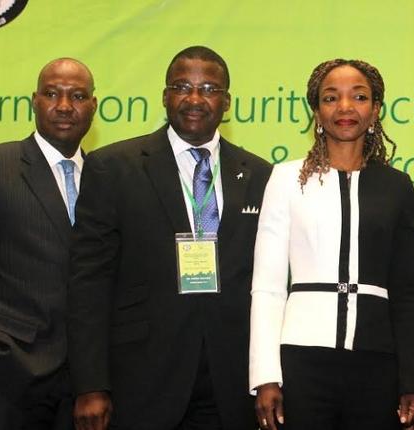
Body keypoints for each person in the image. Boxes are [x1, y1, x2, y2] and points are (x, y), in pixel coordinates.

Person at [67, 46, 271, 429]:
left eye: (209, 88)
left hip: (230, 380)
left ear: (227, 102)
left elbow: (269, 285)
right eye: (182, 86)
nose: (195, 99)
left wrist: (267, 375)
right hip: (141, 376)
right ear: (165, 96)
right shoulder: (113, 168)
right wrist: (90, 385)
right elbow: (88, 284)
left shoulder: (260, 174)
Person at [249, 59, 414, 430]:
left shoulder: (397, 186)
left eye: (359, 97)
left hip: (377, 362)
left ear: (375, 110)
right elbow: (267, 286)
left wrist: (413, 383)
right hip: (301, 360)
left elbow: (407, 292)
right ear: (316, 111)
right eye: (331, 98)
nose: (345, 107)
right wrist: (266, 376)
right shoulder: (284, 179)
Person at [0, 58, 96, 429]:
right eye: (52, 94)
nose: (65, 106)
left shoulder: (106, 176)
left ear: (93, 106)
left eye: (78, 95)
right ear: (34, 101)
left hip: (87, 384)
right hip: (11, 373)